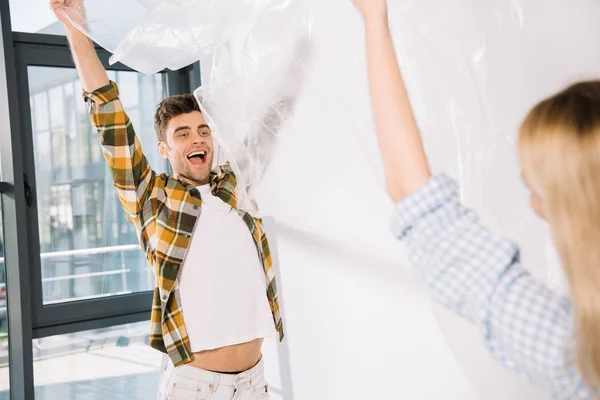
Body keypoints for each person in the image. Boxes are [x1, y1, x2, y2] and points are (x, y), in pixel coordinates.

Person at [353, 0, 600, 399]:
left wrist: (373, 18)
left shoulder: (575, 357)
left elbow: (420, 202)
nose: (535, 207)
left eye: (540, 192)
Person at [50, 1, 289, 399]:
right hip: (196, 387)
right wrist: (75, 28)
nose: (197, 138)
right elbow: (108, 114)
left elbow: (274, 117)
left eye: (202, 130)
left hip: (255, 381)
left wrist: (308, 35)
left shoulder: (236, 185)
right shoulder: (152, 198)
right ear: (164, 146)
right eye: (182, 133)